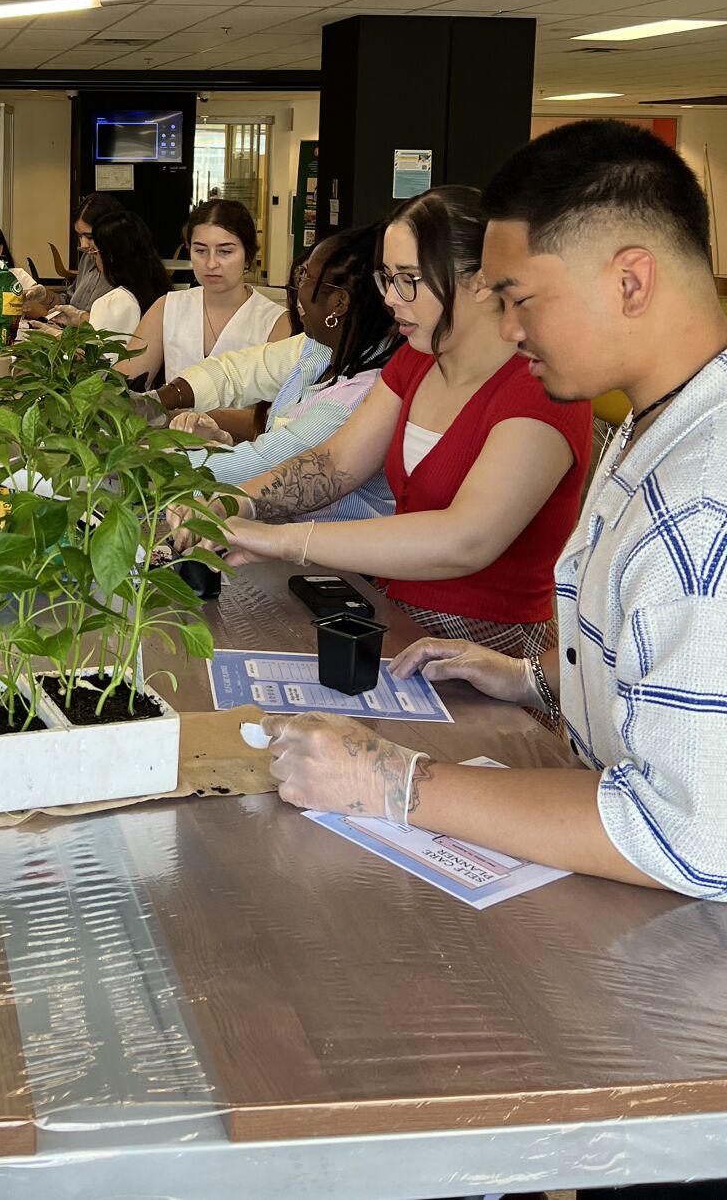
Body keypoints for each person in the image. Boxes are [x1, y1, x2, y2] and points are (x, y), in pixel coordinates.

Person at [259, 126, 727, 951]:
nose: (508, 328)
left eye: (521, 298)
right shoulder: (658, 425)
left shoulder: (703, 499)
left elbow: (683, 832)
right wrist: (535, 681)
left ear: (630, 280)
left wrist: (392, 780)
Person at [198, 185, 593, 658]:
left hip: (485, 644)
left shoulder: (541, 385)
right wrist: (233, 505)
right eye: (386, 278)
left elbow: (464, 539)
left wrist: (282, 539)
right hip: (393, 614)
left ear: (482, 280)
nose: (390, 298)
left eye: (408, 279)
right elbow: (335, 463)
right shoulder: (417, 359)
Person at [163, 225, 400, 517]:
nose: (298, 290)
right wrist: (161, 401)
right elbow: (236, 372)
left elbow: (261, 466)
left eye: (306, 277)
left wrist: (138, 461)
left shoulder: (360, 394)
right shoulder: (322, 347)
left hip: (331, 549)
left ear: (339, 302)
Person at [115, 198, 283, 388]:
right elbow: (122, 386)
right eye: (201, 251)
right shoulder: (168, 307)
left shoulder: (275, 322)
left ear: (248, 256)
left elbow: (276, 409)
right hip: (171, 418)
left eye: (225, 252)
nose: (211, 264)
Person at [39, 210, 168, 340]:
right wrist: (81, 318)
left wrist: (58, 337)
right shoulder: (155, 286)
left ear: (110, 256)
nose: (84, 246)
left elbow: (99, 356)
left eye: (95, 252)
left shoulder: (116, 299)